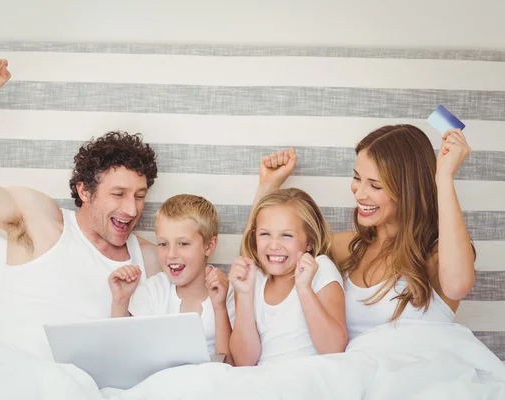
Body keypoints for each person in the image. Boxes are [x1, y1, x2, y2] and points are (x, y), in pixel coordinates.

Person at [0, 51, 162, 358]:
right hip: (3, 370)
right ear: (84, 191)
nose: (131, 210)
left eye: (139, 196)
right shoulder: (40, 221)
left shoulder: (151, 258)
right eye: (118, 194)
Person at [253, 125, 475, 340]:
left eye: (375, 186)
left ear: (408, 191)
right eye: (357, 178)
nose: (359, 194)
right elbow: (258, 259)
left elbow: (457, 287)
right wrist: (268, 187)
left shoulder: (436, 254)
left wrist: (444, 177)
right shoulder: (346, 248)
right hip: (351, 374)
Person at [108, 194, 235, 364]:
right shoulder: (154, 290)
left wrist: (219, 307)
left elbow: (229, 365)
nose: (171, 255)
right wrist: (120, 301)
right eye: (163, 244)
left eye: (183, 244)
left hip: (209, 383)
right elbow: (122, 355)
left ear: (209, 246)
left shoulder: (228, 293)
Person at [228, 188, 347, 366]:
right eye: (265, 234)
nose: (274, 245)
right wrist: (244, 295)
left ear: (310, 242)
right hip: (263, 381)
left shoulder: (320, 269)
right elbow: (244, 361)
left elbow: (334, 348)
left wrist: (304, 289)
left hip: (307, 377)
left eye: (286, 235)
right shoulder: (254, 279)